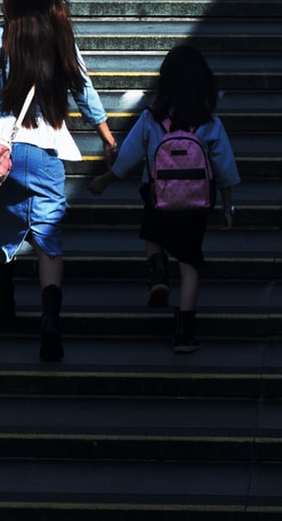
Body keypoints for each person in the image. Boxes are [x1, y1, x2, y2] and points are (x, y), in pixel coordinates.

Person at [0, 0, 118, 361]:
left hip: (6, 149)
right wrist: (107, 137)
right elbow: (84, 90)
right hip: (49, 147)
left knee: (5, 223)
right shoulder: (60, 40)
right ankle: (50, 321)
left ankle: (5, 303)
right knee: (48, 238)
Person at [89, 44, 239, 353]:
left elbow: (128, 157)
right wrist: (227, 207)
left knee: (152, 232)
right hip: (197, 206)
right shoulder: (210, 124)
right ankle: (183, 333)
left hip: (159, 199)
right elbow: (225, 169)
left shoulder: (150, 119)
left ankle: (157, 271)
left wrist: (104, 180)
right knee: (189, 262)